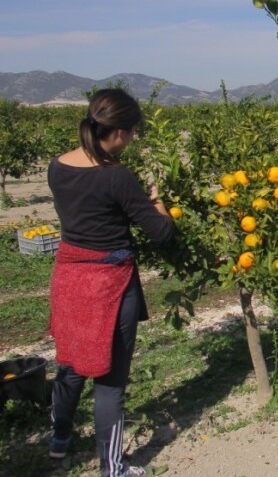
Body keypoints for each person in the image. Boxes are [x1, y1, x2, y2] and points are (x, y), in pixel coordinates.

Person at [47, 89, 174, 477]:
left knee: (70, 362)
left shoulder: (57, 166)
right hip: (109, 285)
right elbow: (161, 234)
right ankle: (113, 468)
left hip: (69, 278)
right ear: (117, 132)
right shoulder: (116, 177)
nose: (134, 138)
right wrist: (158, 202)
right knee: (110, 379)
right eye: (134, 131)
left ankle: (59, 441)